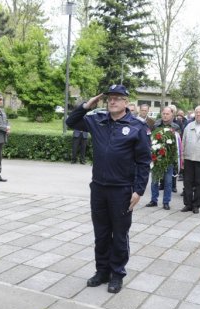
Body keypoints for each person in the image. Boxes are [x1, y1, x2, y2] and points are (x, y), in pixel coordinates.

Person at [66, 84, 151, 294]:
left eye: (117, 98)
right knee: (101, 233)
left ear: (126, 102)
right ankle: (101, 271)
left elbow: (143, 161)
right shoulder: (97, 120)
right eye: (110, 98)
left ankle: (117, 274)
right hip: (99, 188)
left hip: (122, 190)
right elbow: (71, 122)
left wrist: (138, 190)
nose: (112, 101)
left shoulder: (136, 126)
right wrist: (85, 106)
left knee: (120, 235)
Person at [145, 106, 179, 210]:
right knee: (154, 180)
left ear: (172, 115)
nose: (165, 115)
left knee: (168, 182)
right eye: (164, 113)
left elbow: (178, 144)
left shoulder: (176, 127)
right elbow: (150, 138)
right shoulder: (155, 125)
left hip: (169, 158)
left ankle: (166, 202)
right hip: (156, 158)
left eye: (167, 114)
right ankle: (153, 200)